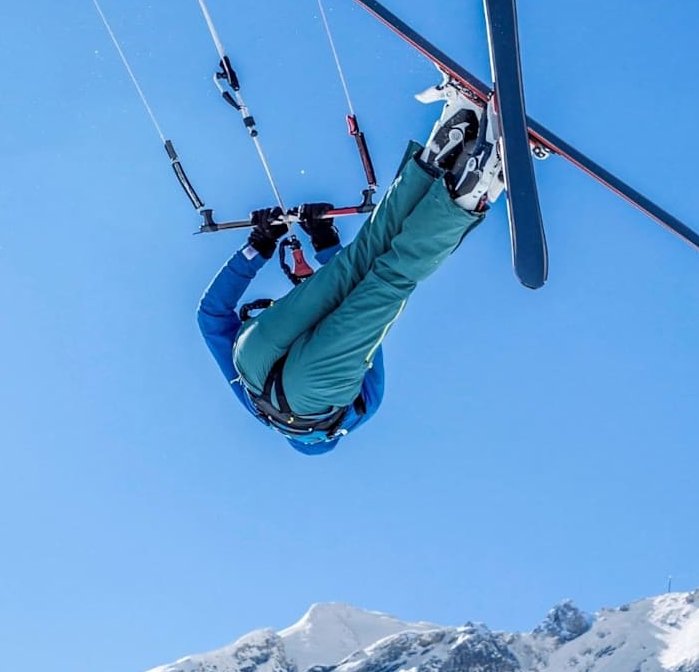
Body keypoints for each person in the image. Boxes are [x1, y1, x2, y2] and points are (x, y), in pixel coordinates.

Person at [197, 81, 504, 454]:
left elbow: (367, 322)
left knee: (391, 280)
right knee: (364, 252)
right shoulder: (252, 396)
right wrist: (266, 245)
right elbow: (210, 315)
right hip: (253, 357)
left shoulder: (358, 410)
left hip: (308, 395)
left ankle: (473, 184)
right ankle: (446, 136)